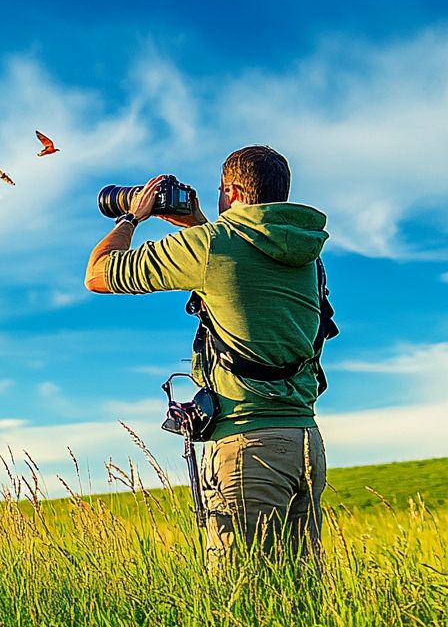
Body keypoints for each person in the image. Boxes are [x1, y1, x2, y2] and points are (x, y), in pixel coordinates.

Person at [84, 145, 331, 569]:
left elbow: (99, 273)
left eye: (221, 192)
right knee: (300, 591)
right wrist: (197, 223)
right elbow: (237, 275)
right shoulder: (305, 254)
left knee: (242, 599)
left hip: (246, 445)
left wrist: (132, 216)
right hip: (303, 440)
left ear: (233, 193)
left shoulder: (210, 246)